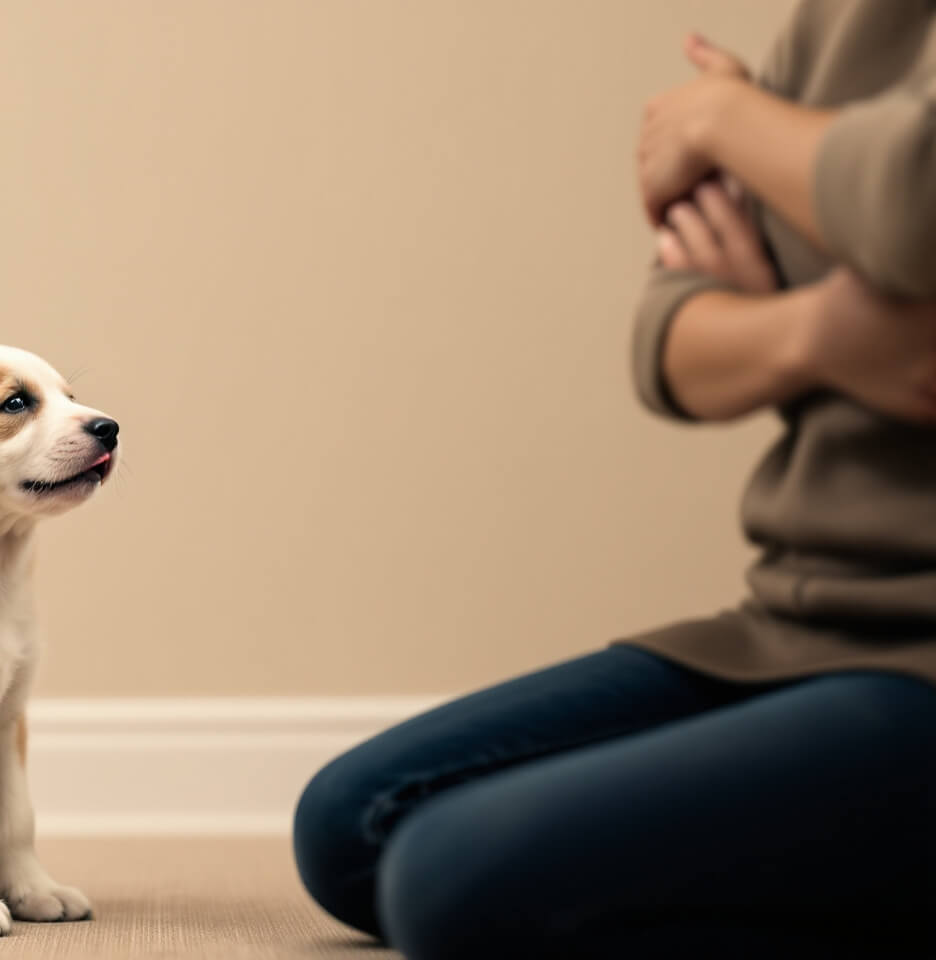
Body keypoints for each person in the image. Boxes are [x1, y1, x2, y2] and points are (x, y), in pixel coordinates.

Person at [292, 3, 936, 957]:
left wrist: (722, 117)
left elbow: (908, 210)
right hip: (801, 626)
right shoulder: (842, 19)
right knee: (353, 825)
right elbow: (670, 336)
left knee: (452, 878)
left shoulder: (744, 102)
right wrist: (818, 333)